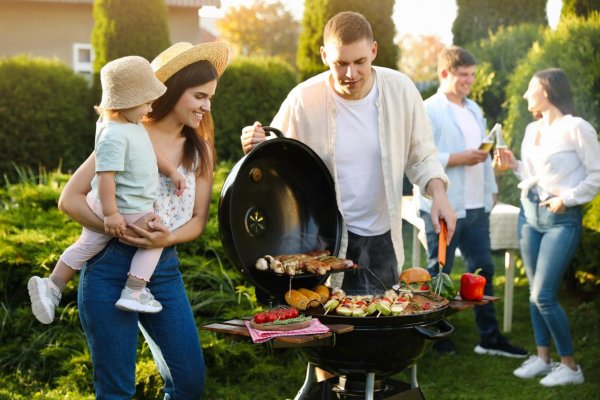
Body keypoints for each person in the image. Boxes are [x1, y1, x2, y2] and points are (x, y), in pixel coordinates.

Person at [56, 41, 229, 399]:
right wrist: (115, 228)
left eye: (210, 97)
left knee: (189, 383)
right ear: (173, 92)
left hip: (163, 271)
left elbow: (197, 221)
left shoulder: (202, 149)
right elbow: (69, 199)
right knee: (117, 390)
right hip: (108, 267)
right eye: (199, 96)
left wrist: (162, 241)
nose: (206, 106)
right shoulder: (126, 133)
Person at [241, 11, 456, 296]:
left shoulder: (401, 90)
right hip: (322, 239)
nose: (351, 74)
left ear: (374, 51)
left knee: (382, 320)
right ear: (323, 55)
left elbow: (422, 155)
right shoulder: (303, 99)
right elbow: (275, 154)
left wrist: (439, 194)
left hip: (383, 236)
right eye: (340, 64)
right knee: (329, 324)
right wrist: (256, 142)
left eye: (360, 62)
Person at [27, 55, 188, 323]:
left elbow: (149, 151)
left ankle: (52, 285)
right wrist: (112, 214)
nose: (149, 108)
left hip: (113, 205)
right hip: (124, 205)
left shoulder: (131, 125)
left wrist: (171, 171)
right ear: (126, 101)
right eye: (146, 102)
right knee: (155, 235)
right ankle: (135, 291)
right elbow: (105, 177)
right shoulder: (113, 135)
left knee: (86, 245)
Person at [418, 46, 527, 357]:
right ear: (444, 74)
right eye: (462, 75)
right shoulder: (429, 110)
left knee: (484, 271)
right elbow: (418, 157)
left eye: (472, 75)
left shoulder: (476, 110)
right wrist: (458, 158)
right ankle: (437, 336)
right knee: (440, 273)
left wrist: (492, 185)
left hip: (478, 206)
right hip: (445, 206)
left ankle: (488, 337)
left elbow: (482, 155)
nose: (469, 80)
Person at [494, 68, 600, 386]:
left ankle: (570, 366)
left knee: (544, 294)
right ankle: (543, 359)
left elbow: (596, 174)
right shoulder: (531, 129)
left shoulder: (576, 127)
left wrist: (566, 198)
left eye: (531, 88)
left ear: (548, 91)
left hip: (560, 220)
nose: (526, 95)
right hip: (530, 215)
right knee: (533, 293)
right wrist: (514, 165)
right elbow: (534, 175)